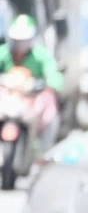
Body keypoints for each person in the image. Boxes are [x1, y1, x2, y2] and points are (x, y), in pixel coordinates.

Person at [4, 16, 61, 148]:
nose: (20, 43)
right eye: (17, 40)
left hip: (31, 98)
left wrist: (51, 85)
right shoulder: (5, 53)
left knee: (49, 115)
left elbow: (53, 73)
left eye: (23, 40)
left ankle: (41, 151)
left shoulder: (40, 55)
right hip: (8, 96)